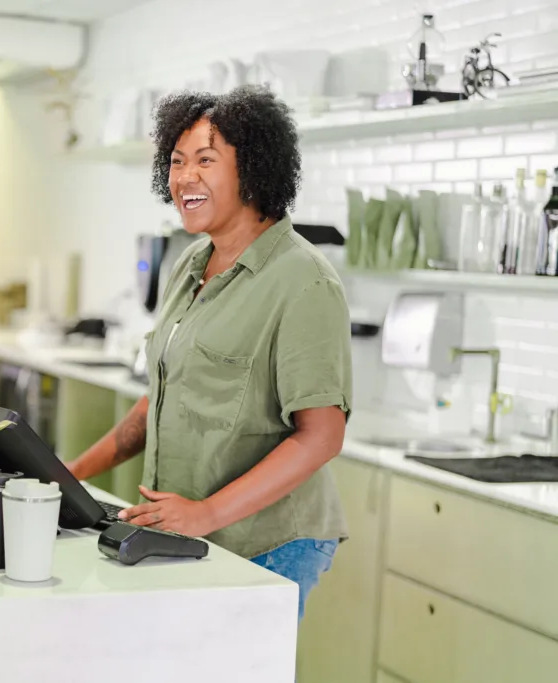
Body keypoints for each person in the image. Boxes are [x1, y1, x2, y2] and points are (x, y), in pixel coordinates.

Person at [68, 86, 351, 620]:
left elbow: (323, 435)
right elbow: (166, 395)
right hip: (191, 532)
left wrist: (207, 513)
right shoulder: (192, 264)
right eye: (176, 162)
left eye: (205, 160)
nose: (184, 178)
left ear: (255, 169)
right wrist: (72, 476)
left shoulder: (304, 281)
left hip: (270, 542)